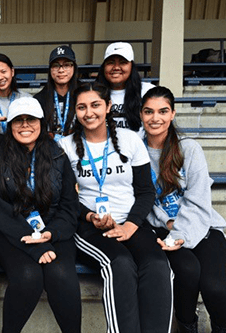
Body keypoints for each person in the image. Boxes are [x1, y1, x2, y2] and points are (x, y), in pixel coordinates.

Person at [58, 82, 173, 333]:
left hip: (130, 222)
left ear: (108, 106)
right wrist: (89, 216)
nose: (89, 112)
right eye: (82, 107)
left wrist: (130, 226)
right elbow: (65, 198)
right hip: (88, 226)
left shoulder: (129, 139)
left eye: (96, 105)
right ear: (75, 112)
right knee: (119, 263)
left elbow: (145, 192)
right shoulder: (65, 146)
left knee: (157, 265)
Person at [141, 86, 226, 333]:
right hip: (162, 231)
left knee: (215, 288)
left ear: (172, 114)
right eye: (148, 112)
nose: (155, 118)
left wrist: (180, 232)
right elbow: (141, 201)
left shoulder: (189, 149)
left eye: (162, 111)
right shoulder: (135, 152)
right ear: (141, 114)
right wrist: (168, 227)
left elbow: (199, 199)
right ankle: (187, 328)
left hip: (202, 227)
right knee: (187, 274)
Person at [0, 97, 81, 333]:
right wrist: (34, 245)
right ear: (10, 124)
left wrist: (50, 233)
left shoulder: (58, 156)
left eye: (31, 120)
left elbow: (69, 205)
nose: (25, 125)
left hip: (53, 230)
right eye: (19, 120)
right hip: (14, 232)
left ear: (41, 123)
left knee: (61, 274)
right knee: (28, 276)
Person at [96, 42, 155, 134]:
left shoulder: (148, 91)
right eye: (110, 62)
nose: (116, 67)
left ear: (132, 66)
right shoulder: (93, 92)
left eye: (123, 62)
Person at [34, 45, 78, 141]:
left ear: (74, 67)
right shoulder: (39, 99)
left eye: (66, 65)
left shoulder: (83, 95)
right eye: (56, 65)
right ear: (50, 70)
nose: (61, 70)